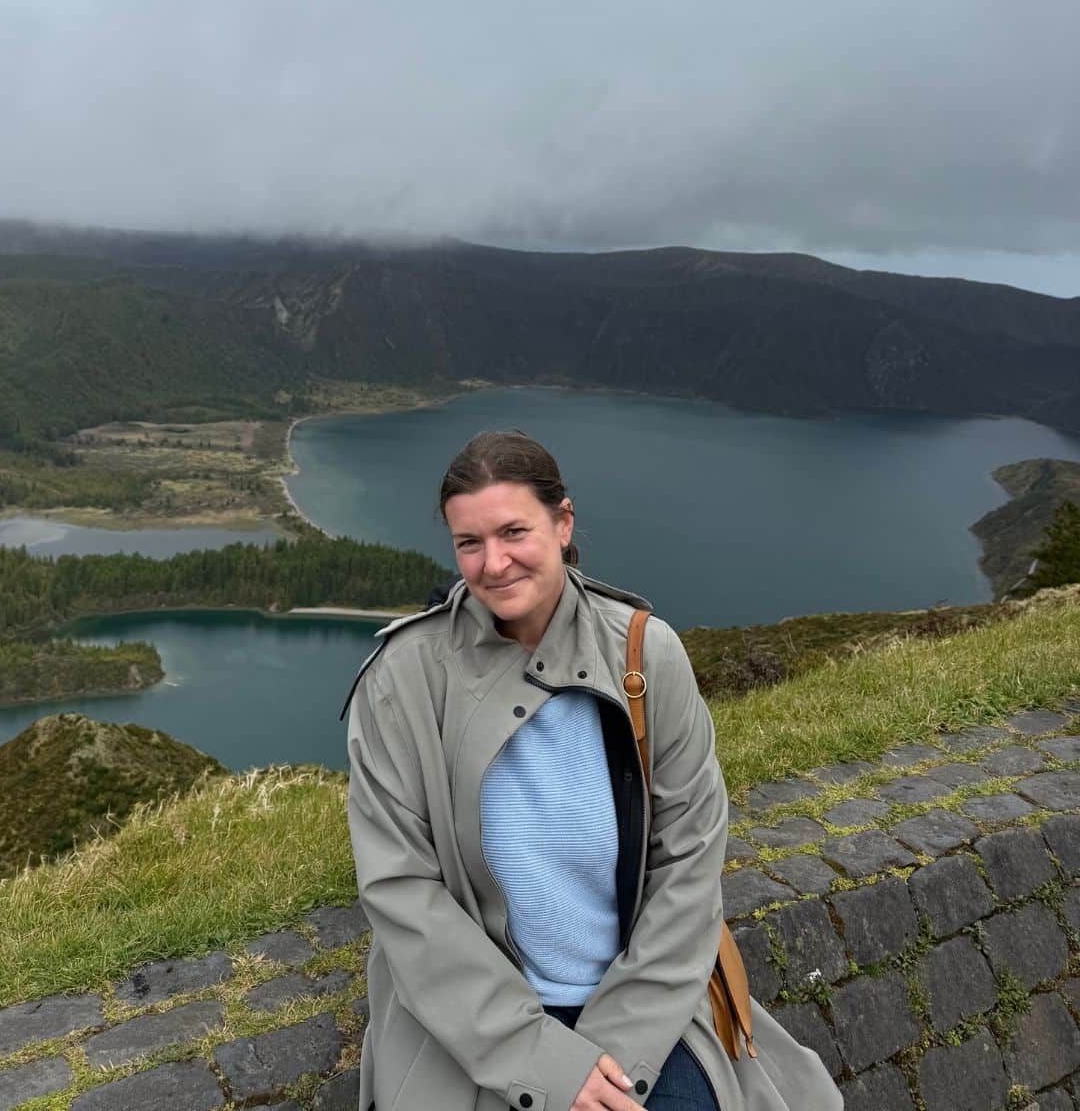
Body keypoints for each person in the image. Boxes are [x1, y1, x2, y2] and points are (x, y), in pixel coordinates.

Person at [345, 430, 843, 1111]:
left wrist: (614, 1057)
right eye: (469, 543)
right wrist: (545, 1063)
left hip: (639, 1010)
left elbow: (689, 867)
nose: (493, 563)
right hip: (477, 1028)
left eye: (514, 531)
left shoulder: (646, 654)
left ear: (563, 522)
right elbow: (401, 889)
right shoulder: (402, 678)